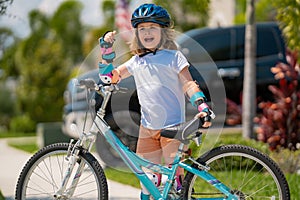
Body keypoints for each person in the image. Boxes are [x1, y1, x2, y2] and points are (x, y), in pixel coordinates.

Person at [98, 3, 214, 199]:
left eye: (152, 27)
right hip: (147, 128)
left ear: (164, 31)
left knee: (177, 183)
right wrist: (106, 49)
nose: (147, 33)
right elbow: (110, 77)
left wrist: (201, 105)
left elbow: (188, 85)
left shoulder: (173, 57)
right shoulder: (137, 61)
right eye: (142, 29)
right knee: (148, 182)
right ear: (136, 34)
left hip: (173, 128)